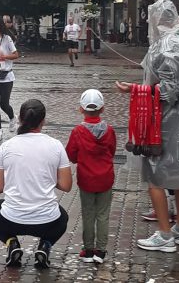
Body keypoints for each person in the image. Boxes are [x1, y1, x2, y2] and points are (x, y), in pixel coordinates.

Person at [116, 0, 179, 253]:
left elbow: (168, 91)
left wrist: (136, 89)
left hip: (165, 123)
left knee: (155, 177)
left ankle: (164, 234)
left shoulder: (166, 47)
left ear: (158, 20)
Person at [0, 99, 72, 268]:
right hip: (47, 221)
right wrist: (47, 179)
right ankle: (45, 245)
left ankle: (12, 243)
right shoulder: (56, 146)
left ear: (19, 119)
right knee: (63, 217)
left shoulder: (6, 147)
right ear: (43, 121)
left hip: (11, 218)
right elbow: (66, 186)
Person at [66, 89, 116, 264]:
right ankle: (101, 251)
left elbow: (71, 155)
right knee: (103, 214)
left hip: (86, 178)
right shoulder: (109, 130)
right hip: (106, 178)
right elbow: (112, 151)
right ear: (102, 109)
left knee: (88, 214)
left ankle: (88, 250)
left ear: (81, 109)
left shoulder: (78, 131)